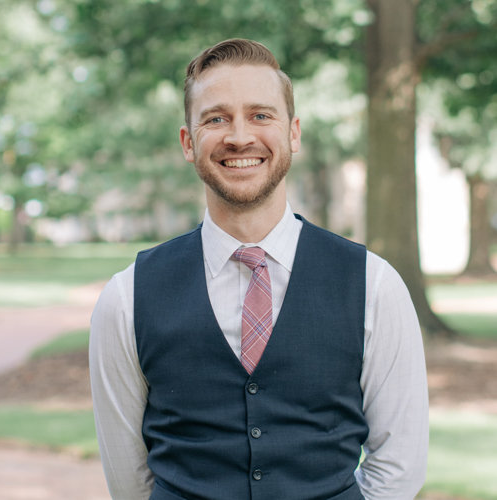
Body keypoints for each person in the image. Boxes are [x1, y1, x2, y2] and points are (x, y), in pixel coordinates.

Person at [89, 38, 429, 500]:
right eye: (216, 118)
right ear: (189, 143)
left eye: (261, 115)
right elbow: (129, 479)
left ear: (293, 133)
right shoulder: (127, 297)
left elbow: (400, 464)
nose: (240, 136)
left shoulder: (374, 284)